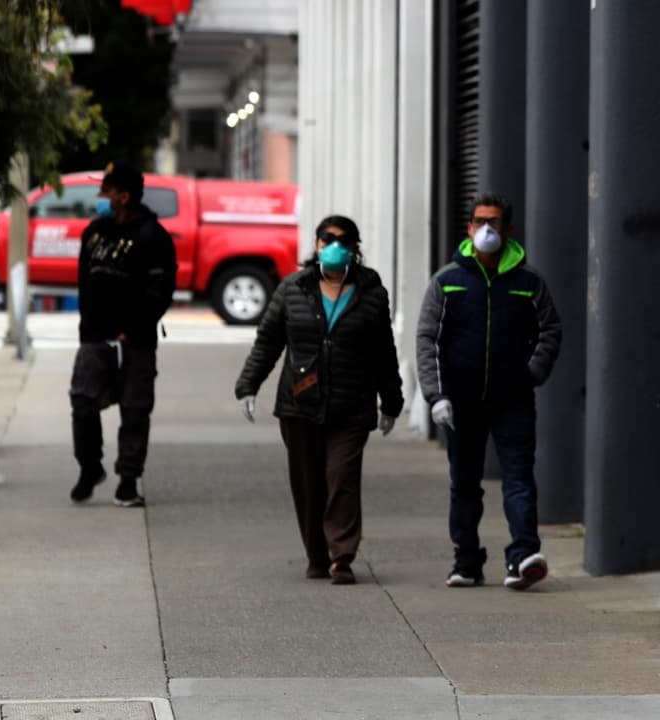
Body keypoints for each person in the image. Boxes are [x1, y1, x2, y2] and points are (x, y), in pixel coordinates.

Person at [235, 216, 403, 585]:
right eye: (327, 238)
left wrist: (392, 401)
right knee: (308, 482)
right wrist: (248, 385)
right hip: (300, 404)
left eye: (342, 240)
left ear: (355, 248)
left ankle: (341, 556)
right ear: (315, 244)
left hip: (351, 404)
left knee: (341, 476)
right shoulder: (293, 288)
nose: (334, 245)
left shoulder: (371, 291)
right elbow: (268, 342)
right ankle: (316, 554)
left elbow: (383, 351)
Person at [417, 193, 562, 590]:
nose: (486, 229)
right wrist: (437, 395)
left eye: (494, 222)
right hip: (460, 403)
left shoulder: (528, 282)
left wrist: (532, 373)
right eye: (479, 221)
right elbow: (427, 339)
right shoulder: (447, 282)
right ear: (468, 228)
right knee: (464, 482)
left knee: (519, 478)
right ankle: (466, 561)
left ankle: (523, 558)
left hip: (513, 400)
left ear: (507, 230)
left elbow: (550, 331)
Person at [69, 164, 176, 508]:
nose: (101, 199)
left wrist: (133, 327)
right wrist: (88, 325)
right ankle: (90, 468)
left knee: (135, 409)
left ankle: (127, 480)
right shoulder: (95, 232)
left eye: (107, 193)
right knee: (83, 403)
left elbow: (161, 291)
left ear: (124, 196)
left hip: (136, 341)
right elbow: (84, 280)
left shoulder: (152, 236)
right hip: (95, 338)